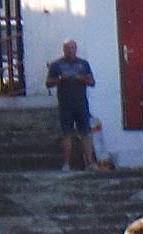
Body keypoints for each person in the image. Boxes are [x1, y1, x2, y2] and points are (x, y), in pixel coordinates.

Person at [46, 39, 97, 172]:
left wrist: (82, 79)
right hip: (65, 104)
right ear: (63, 49)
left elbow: (92, 82)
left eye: (73, 48)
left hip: (81, 103)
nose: (70, 51)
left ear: (76, 49)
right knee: (66, 134)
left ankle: (90, 163)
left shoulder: (83, 64)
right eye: (68, 48)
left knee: (85, 133)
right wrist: (60, 79)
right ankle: (67, 164)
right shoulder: (56, 65)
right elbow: (48, 83)